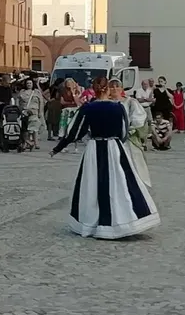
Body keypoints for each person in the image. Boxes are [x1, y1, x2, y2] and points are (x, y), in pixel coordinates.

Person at [51, 80, 159, 240]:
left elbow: (75, 131)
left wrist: (58, 148)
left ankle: (91, 222)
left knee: (92, 184)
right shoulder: (118, 107)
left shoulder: (88, 108)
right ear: (107, 89)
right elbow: (123, 130)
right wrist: (117, 142)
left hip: (94, 148)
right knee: (120, 184)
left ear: (94, 90)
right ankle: (123, 220)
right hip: (114, 148)